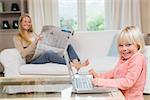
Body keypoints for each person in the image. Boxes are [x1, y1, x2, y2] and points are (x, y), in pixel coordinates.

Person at [89, 26, 146, 100]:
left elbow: (128, 82)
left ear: (138, 45)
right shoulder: (123, 58)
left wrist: (101, 82)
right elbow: (114, 73)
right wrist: (98, 76)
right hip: (120, 95)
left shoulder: (138, 57)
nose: (124, 49)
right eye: (121, 45)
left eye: (128, 45)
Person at [13, 14, 89, 70]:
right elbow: (23, 54)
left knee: (68, 46)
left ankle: (77, 64)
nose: (27, 24)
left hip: (41, 53)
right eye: (25, 22)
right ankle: (72, 65)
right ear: (20, 23)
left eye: (29, 22)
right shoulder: (17, 37)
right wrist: (35, 42)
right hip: (33, 60)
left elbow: (40, 45)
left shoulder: (33, 33)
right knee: (49, 53)